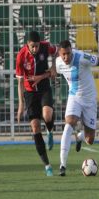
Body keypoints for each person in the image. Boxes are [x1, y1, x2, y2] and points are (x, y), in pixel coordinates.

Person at [56, 40, 99, 176]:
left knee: (89, 140)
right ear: (59, 54)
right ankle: (62, 165)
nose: (66, 57)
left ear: (71, 51)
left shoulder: (82, 57)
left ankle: (79, 137)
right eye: (63, 55)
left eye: (68, 53)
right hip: (74, 97)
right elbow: (52, 72)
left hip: (90, 100)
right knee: (69, 123)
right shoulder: (58, 63)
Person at [16, 31, 57, 176]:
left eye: (37, 46)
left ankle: (50, 131)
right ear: (27, 44)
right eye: (32, 46)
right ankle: (47, 165)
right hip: (30, 93)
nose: (35, 49)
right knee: (35, 126)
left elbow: (57, 51)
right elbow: (20, 81)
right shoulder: (21, 55)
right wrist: (21, 104)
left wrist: (52, 67)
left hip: (44, 88)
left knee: (47, 115)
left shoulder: (46, 47)